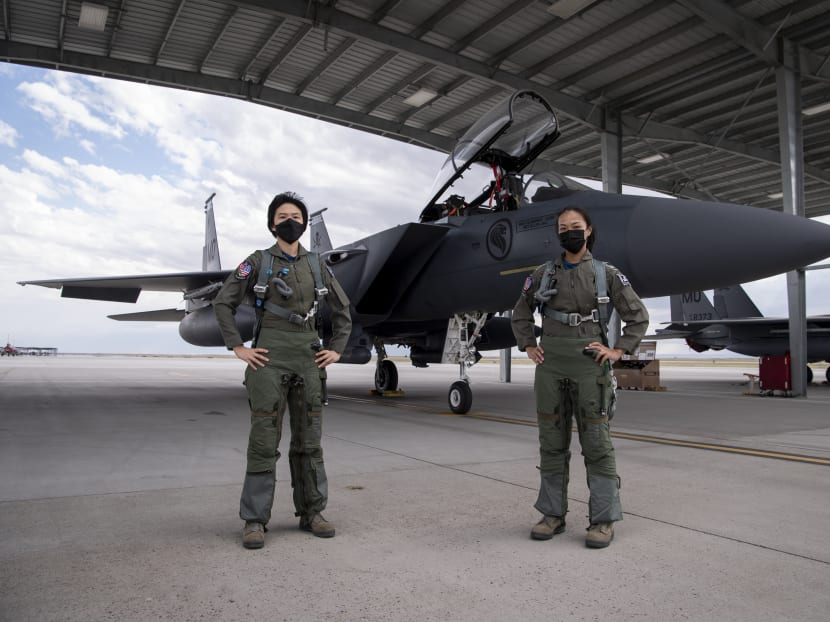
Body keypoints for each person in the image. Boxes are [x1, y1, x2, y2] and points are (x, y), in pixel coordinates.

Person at [213, 192, 351, 549]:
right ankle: (255, 519)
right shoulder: (256, 262)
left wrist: (336, 348)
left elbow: (342, 309)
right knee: (263, 441)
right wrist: (238, 346)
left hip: (308, 356)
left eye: (296, 216)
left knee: (310, 442)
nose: (290, 221)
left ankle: (312, 512)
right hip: (268, 359)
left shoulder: (318, 265)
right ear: (272, 224)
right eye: (282, 217)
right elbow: (223, 302)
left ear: (304, 224)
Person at [511, 206, 649, 548]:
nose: (569, 232)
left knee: (597, 444)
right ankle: (552, 515)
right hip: (551, 365)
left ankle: (603, 519)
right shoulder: (543, 274)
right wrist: (528, 345)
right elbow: (521, 312)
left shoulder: (606, 274)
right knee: (551, 443)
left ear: (588, 231)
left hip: (590, 365)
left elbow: (638, 316)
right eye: (563, 228)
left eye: (575, 226)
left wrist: (618, 350)